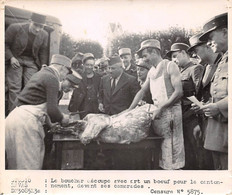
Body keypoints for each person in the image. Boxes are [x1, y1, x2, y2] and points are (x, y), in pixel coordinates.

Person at [5, 54, 72, 170]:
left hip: (14, 118)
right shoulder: (52, 78)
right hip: (26, 123)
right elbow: (52, 110)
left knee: (15, 165)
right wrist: (63, 118)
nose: (64, 77)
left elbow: (35, 104)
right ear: (62, 68)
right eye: (66, 73)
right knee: (30, 166)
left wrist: (50, 124)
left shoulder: (41, 74)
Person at [128, 39, 185, 170]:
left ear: (154, 52)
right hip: (159, 114)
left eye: (145, 56)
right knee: (163, 148)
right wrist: (129, 110)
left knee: (172, 149)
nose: (144, 59)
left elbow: (178, 92)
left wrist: (161, 107)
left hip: (171, 113)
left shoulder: (170, 65)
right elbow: (142, 91)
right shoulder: (151, 71)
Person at [166, 43, 204, 170]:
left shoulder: (195, 68)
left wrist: (199, 120)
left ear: (183, 53)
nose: (174, 60)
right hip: (181, 116)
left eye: (176, 56)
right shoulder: (178, 72)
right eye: (172, 58)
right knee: (185, 151)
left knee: (197, 149)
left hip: (193, 116)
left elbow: (200, 93)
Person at [188, 32, 222, 170]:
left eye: (196, 51)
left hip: (220, 123)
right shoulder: (203, 68)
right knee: (207, 161)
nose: (195, 56)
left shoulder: (223, 63)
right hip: (204, 123)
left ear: (206, 46)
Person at [198, 13, 228, 170]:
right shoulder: (224, 59)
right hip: (219, 133)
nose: (209, 43)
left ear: (225, 32)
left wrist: (218, 107)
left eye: (211, 37)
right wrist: (210, 105)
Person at [5, 12, 49, 113]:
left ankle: (27, 114)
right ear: (30, 21)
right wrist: (11, 58)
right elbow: (5, 44)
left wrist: (43, 65)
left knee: (31, 87)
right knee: (15, 88)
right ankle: (13, 114)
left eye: (41, 26)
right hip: (16, 59)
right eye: (35, 25)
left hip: (31, 62)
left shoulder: (44, 34)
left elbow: (43, 51)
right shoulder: (14, 28)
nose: (38, 29)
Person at [68, 53, 101, 119]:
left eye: (91, 65)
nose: (89, 67)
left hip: (95, 108)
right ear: (83, 65)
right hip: (83, 108)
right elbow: (75, 93)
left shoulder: (98, 77)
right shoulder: (79, 77)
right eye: (87, 65)